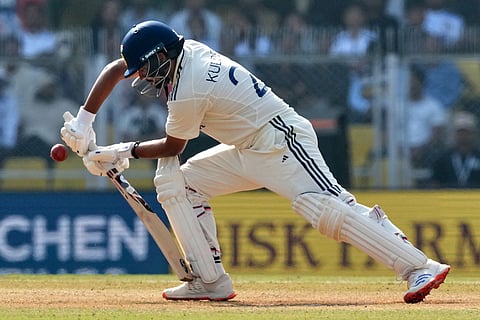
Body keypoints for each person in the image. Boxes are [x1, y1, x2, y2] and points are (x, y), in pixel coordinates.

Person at [60, 20, 450, 304]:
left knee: (326, 210)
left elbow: (172, 146)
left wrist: (118, 152)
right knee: (181, 183)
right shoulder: (181, 49)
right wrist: (84, 120)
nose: (142, 77)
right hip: (248, 147)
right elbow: (116, 66)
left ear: (161, 56)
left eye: (145, 68)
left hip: (281, 139)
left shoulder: (189, 86)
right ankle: (209, 281)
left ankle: (419, 266)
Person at [430, 111, 480, 188]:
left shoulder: (478, 156)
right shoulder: (443, 159)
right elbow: (435, 183)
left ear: (474, 134)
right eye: (460, 132)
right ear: (454, 134)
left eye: (467, 132)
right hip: (448, 197)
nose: (463, 136)